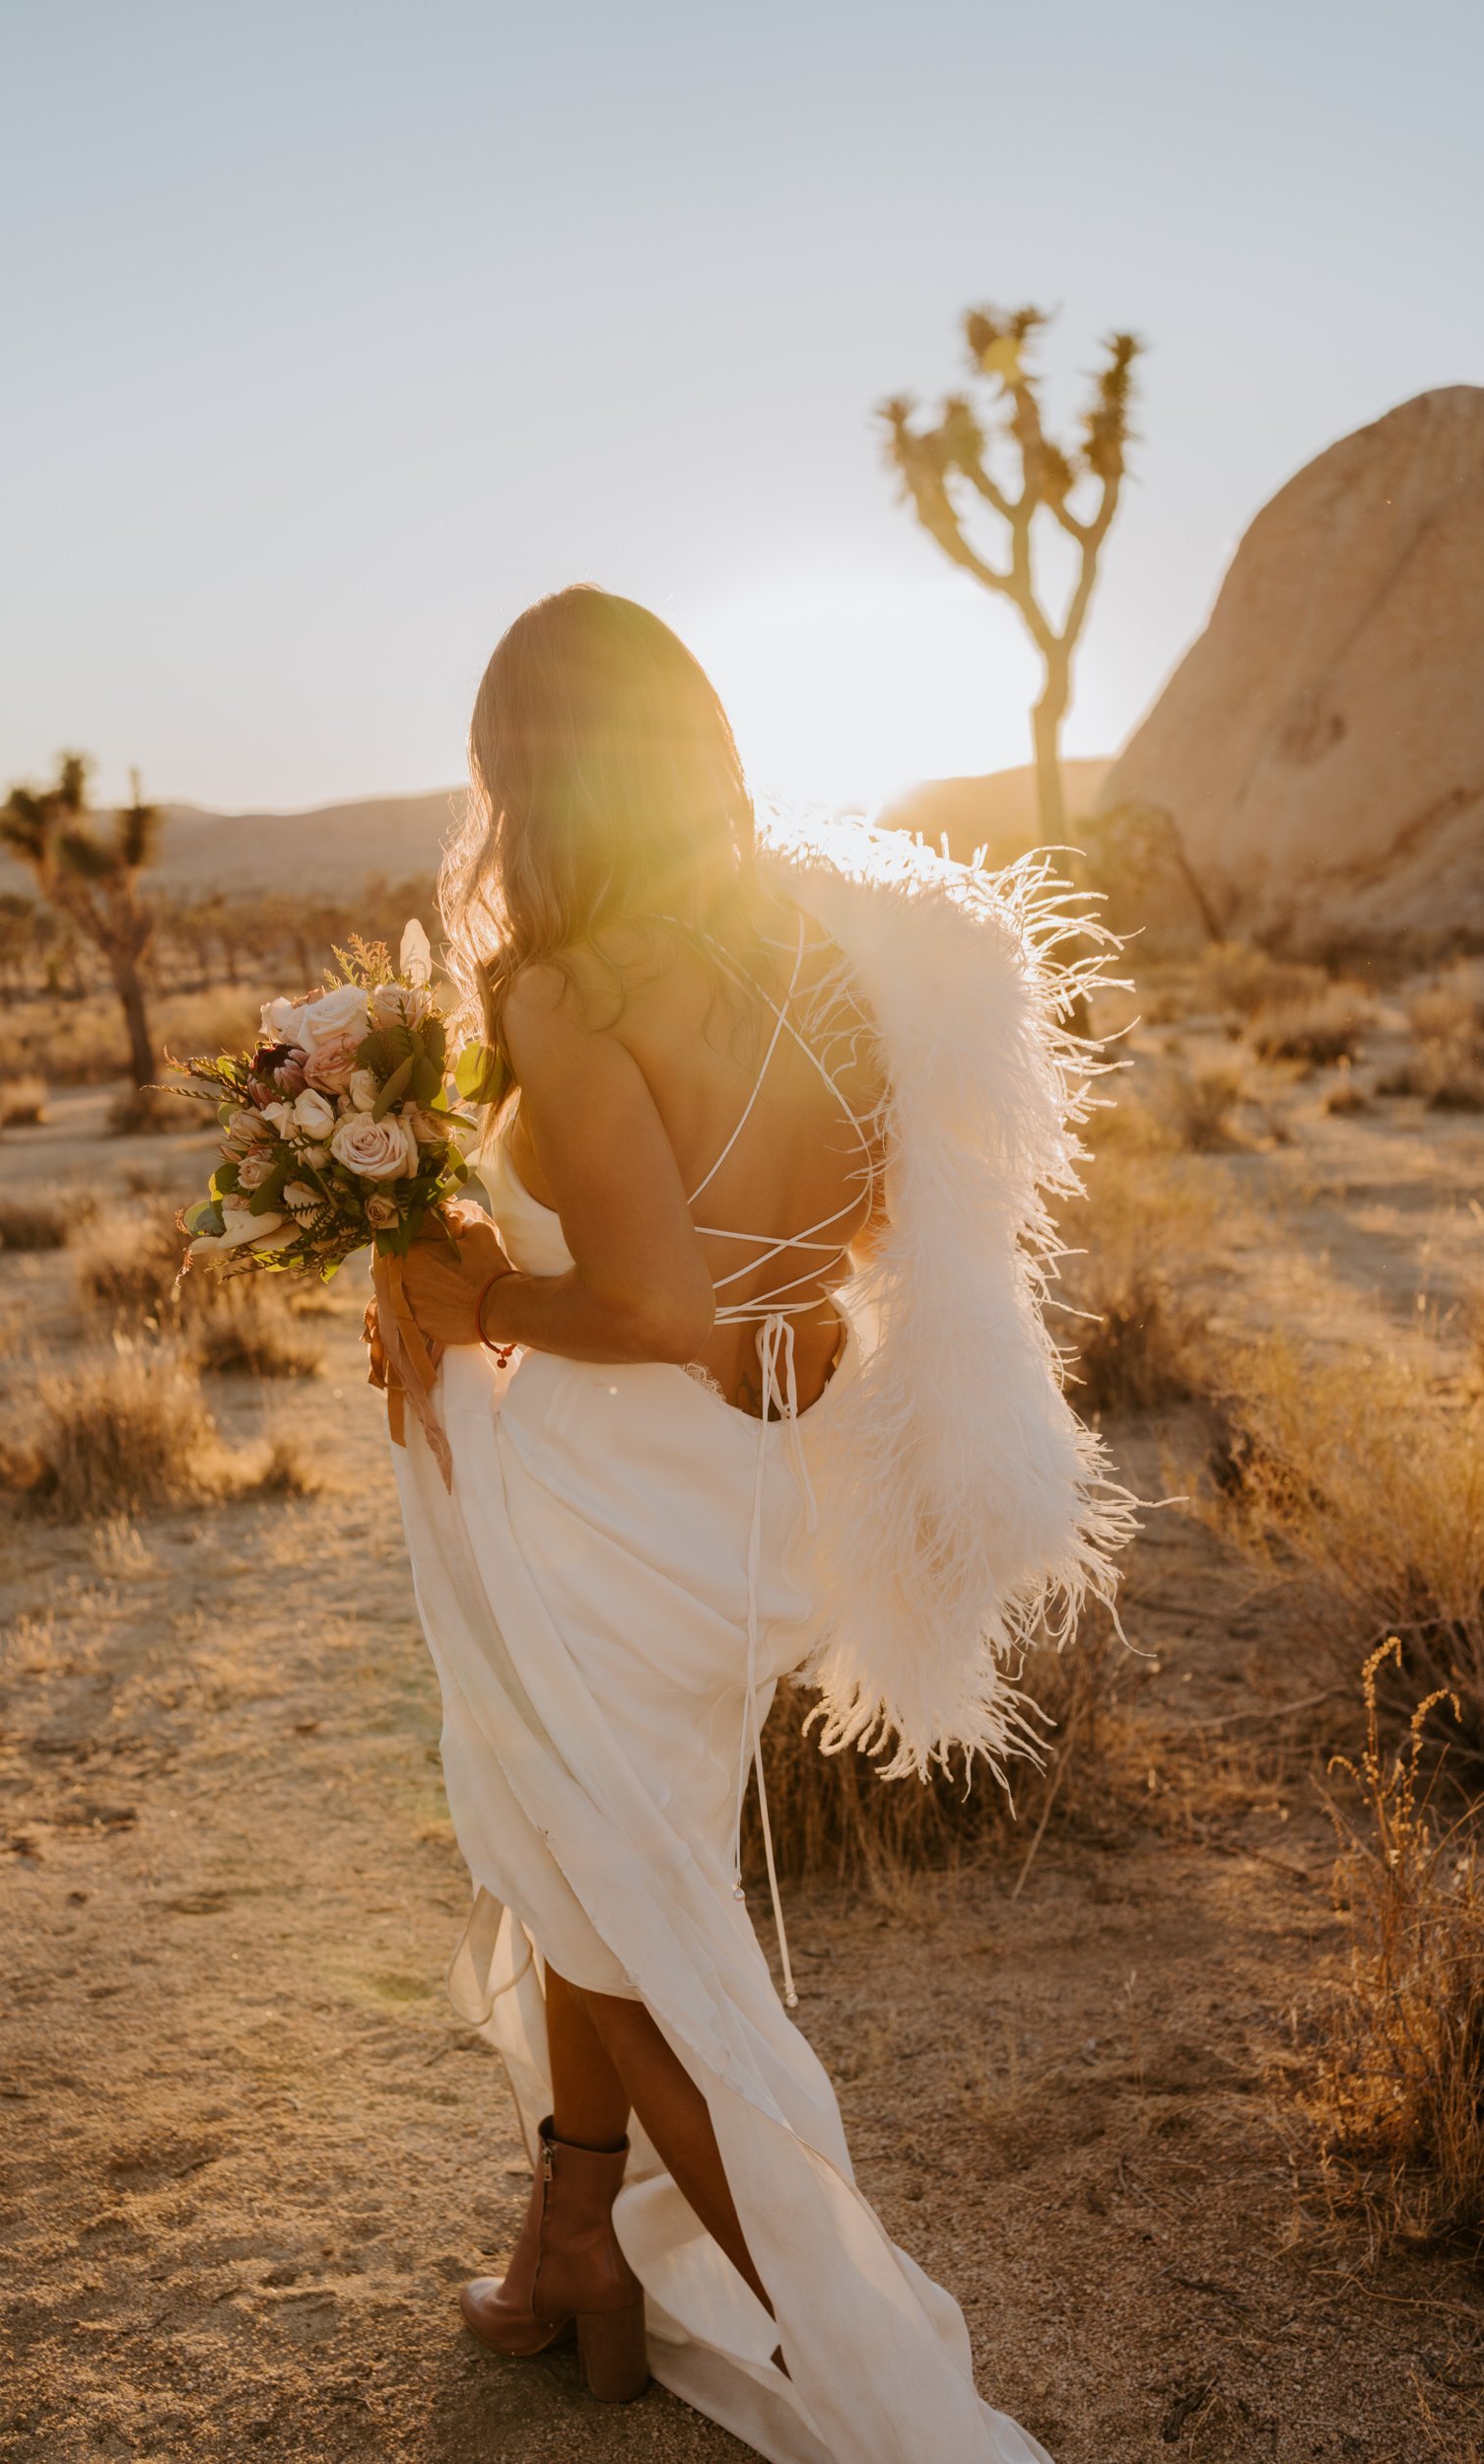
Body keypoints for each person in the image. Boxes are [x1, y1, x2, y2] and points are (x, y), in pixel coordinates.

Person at [366, 584, 1127, 2464]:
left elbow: (646, 1309)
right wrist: (751, 1298)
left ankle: (885, 2400)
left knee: (648, 1951)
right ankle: (574, 2268)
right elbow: (845, 1248)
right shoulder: (832, 958)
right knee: (605, 1882)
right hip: (761, 1506)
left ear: (524, 779)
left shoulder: (574, 987)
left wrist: (475, 1301)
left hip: (611, 1509)